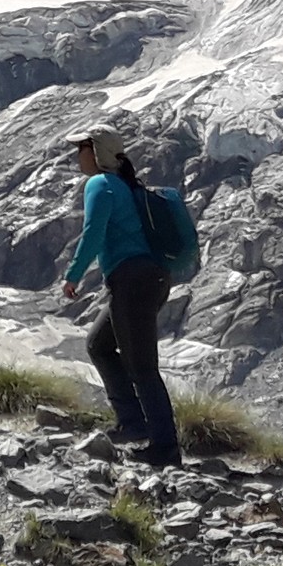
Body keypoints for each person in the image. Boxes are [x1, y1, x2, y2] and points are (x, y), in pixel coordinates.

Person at [59, 125, 181, 465]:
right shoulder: (125, 185)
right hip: (149, 279)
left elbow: (93, 232)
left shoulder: (100, 184)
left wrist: (73, 275)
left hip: (132, 281)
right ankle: (133, 423)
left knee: (142, 366)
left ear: (95, 151)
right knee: (99, 345)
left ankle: (165, 449)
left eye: (80, 147)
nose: (76, 154)